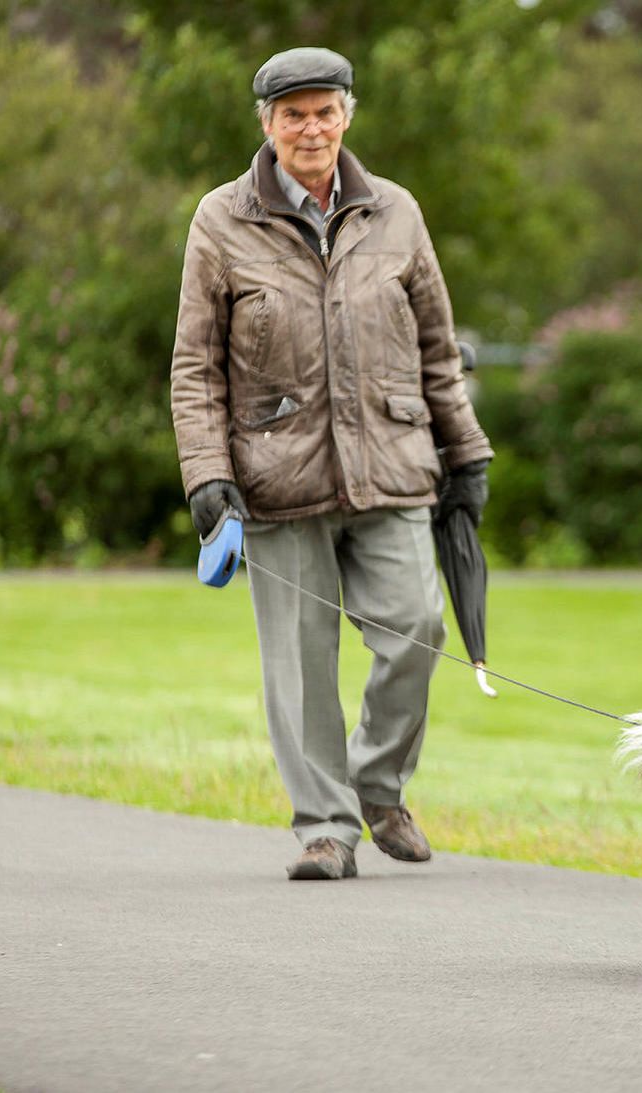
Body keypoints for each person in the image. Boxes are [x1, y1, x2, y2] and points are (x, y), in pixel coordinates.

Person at [169, 47, 492, 881]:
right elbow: (195, 365)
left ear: (348, 114)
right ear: (267, 125)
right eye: (292, 114)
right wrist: (208, 471)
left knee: (418, 625)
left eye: (324, 111)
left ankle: (379, 787)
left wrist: (468, 451)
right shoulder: (221, 219)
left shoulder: (397, 213)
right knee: (302, 663)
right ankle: (326, 827)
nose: (310, 128)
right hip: (275, 479)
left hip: (392, 463)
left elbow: (437, 348)